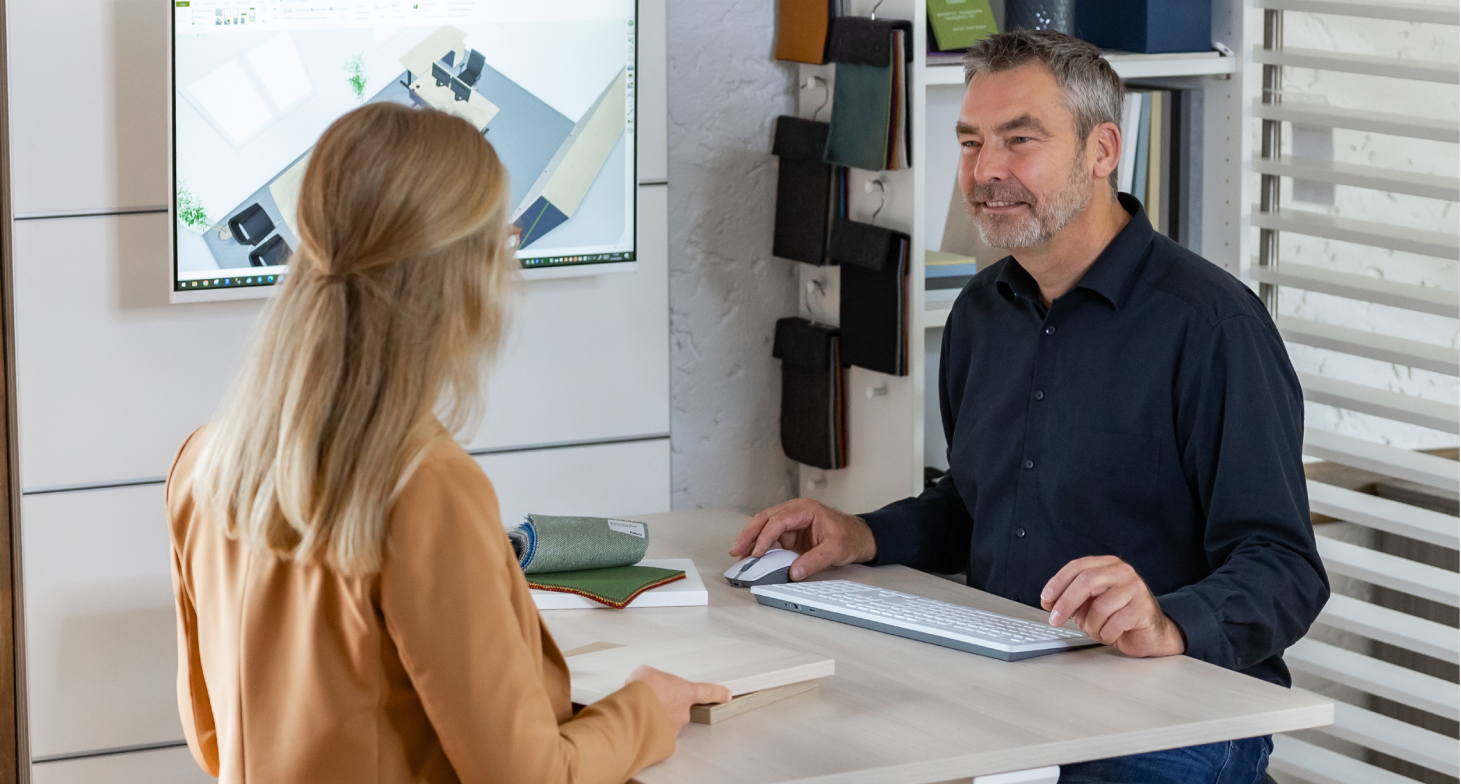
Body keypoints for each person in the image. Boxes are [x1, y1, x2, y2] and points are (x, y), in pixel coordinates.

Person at [732, 31, 1328, 784]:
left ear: (1101, 149)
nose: (985, 172)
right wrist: (860, 535)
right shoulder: (982, 311)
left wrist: (1166, 618)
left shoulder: (1213, 328)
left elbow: (1284, 568)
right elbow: (976, 504)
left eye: (1019, 141)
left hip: (1173, 709)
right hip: (1006, 683)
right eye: (971, 142)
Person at [167, 103, 728, 784]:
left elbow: (210, 736)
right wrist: (644, 710)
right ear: (464, 277)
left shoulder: (205, 462)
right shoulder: (423, 486)